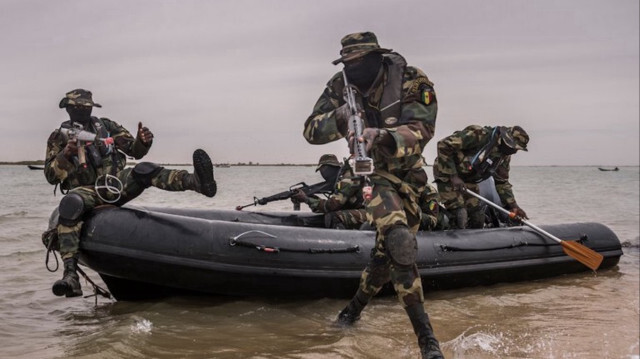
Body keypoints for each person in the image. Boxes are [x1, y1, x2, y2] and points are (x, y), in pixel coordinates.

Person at [303, 32, 443, 358]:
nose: (352, 69)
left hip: (411, 175)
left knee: (383, 260)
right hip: (371, 173)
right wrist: (342, 119)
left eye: (358, 62)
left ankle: (351, 312)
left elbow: (422, 131)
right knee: (398, 239)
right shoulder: (340, 86)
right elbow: (311, 130)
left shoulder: (411, 79)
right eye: (346, 63)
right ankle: (428, 342)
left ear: (377, 58)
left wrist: (381, 134)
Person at [44, 89, 217, 298]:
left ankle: (196, 182)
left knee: (145, 169)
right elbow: (51, 175)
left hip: (115, 184)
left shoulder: (106, 127)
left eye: (86, 107)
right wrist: (66, 154)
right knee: (71, 204)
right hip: (86, 191)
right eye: (78, 107)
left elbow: (134, 151)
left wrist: (143, 141)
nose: (82, 110)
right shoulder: (58, 137)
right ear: (69, 109)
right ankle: (70, 276)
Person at [433, 125, 529, 229]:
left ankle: (473, 241)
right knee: (460, 214)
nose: (515, 152)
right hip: (447, 174)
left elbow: (502, 182)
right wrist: (453, 176)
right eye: (514, 148)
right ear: (505, 140)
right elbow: (444, 145)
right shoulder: (479, 135)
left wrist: (514, 206)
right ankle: (441, 224)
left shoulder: (503, 157)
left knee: (477, 217)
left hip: (469, 179)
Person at [292, 154, 367, 229]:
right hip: (364, 211)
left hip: (371, 213)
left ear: (328, 168)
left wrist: (306, 199)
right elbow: (328, 207)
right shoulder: (341, 178)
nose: (322, 173)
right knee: (329, 214)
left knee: (334, 217)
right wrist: (309, 197)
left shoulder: (347, 178)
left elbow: (331, 205)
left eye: (322, 169)